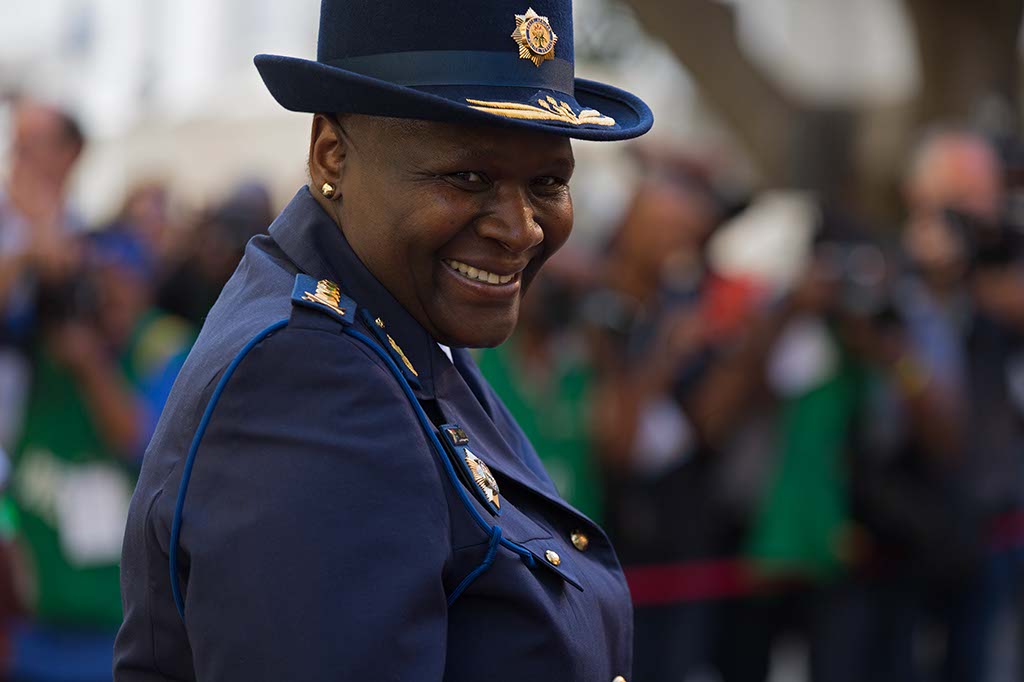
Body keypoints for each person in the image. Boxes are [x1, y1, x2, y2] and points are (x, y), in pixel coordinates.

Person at [114, 1, 653, 680]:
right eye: (468, 177)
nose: (521, 229)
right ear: (331, 154)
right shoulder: (311, 381)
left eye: (548, 182)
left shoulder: (397, 325)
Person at [5, 231, 193, 682]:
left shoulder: (161, 348)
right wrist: (30, 256)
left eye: (120, 282)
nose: (107, 298)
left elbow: (140, 441)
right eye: (97, 284)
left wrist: (90, 363)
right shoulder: (43, 341)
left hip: (113, 628)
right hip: (34, 622)